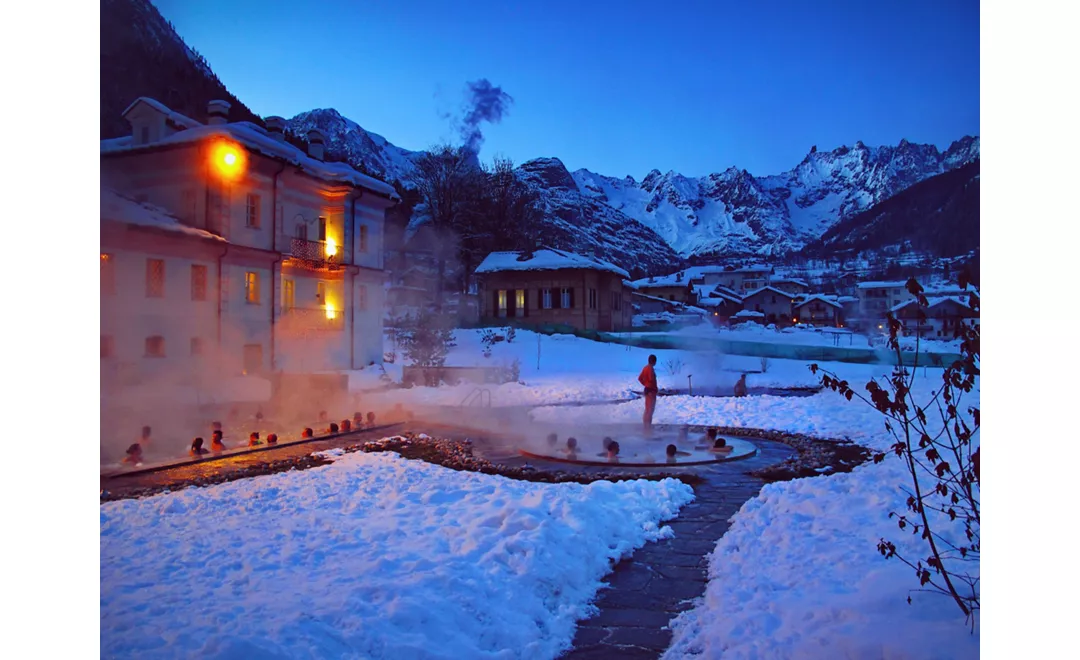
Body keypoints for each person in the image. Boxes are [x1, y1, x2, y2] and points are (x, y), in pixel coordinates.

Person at [638, 355, 659, 433]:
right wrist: (650, 386)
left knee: (647, 409)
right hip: (651, 392)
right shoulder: (650, 369)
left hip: (648, 390)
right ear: (654, 361)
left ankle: (646, 427)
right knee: (650, 410)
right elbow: (651, 380)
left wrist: (645, 384)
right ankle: (647, 428)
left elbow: (640, 378)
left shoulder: (645, 368)